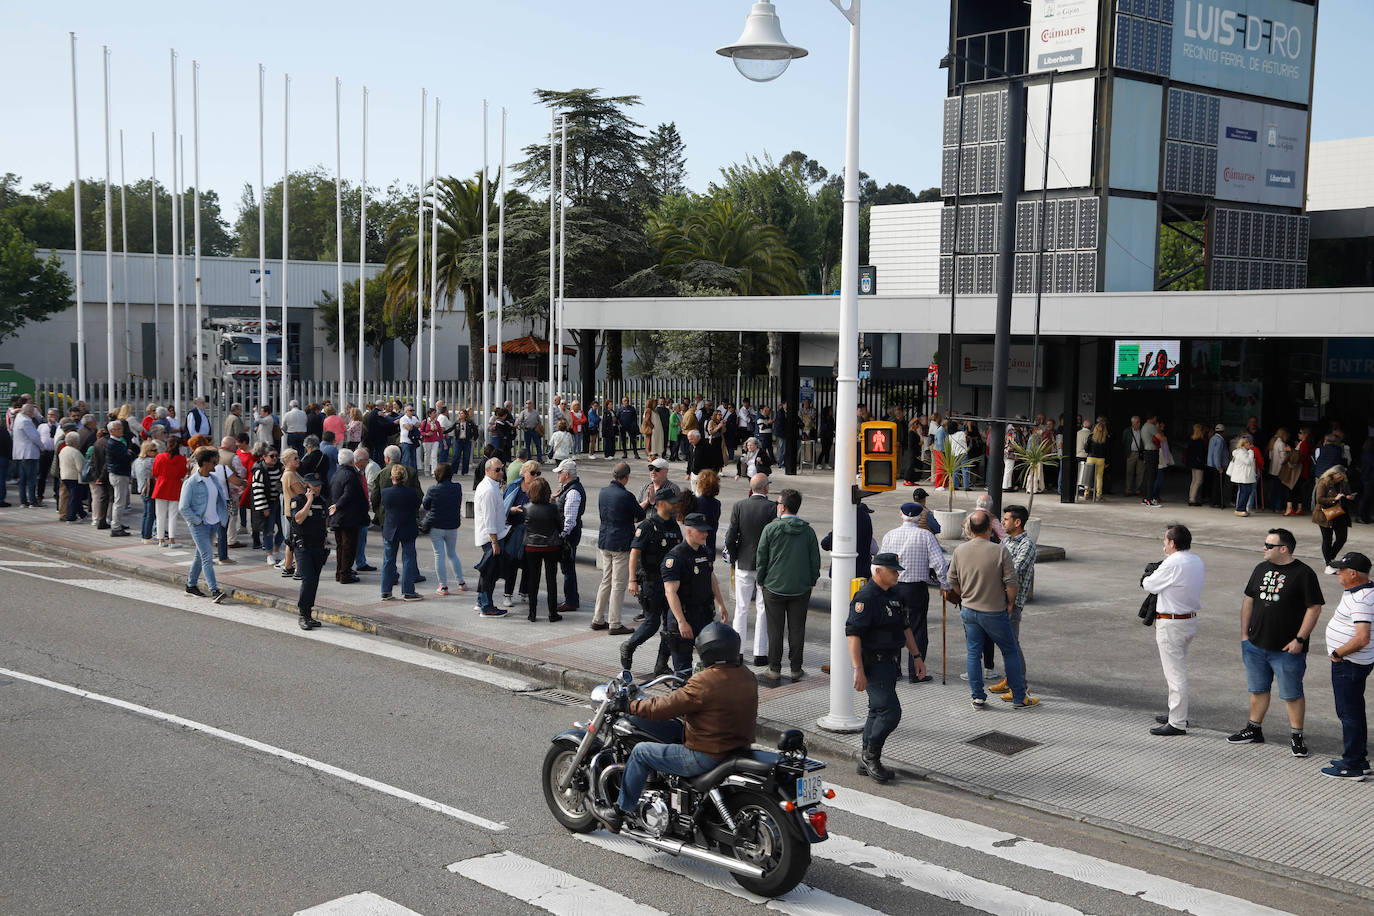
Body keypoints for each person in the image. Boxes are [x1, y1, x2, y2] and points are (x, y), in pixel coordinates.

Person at [590, 623, 757, 834]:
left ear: (707, 651)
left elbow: (664, 707)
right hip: (736, 747)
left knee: (641, 752)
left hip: (705, 755)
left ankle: (619, 811)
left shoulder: (704, 682)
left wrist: (629, 706)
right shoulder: (747, 676)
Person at [1226, 527, 1324, 758]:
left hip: (1287, 649)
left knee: (1292, 693)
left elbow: (1315, 607)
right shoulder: (1260, 568)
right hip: (1255, 645)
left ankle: (1297, 736)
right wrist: (1244, 636)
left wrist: (1299, 639)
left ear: (1284, 549)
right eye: (1265, 544)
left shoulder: (1303, 573)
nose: (1264, 548)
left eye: (1269, 545)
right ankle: (1254, 729)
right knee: (1257, 689)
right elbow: (1249, 601)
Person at [846, 552, 928, 783]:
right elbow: (853, 635)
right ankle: (871, 757)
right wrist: (858, 669)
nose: (897, 574)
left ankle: (865, 759)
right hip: (874, 663)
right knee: (891, 712)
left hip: (891, 662)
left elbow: (905, 628)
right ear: (878, 571)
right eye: (893, 570)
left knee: (877, 710)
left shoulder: (895, 595)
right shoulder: (866, 597)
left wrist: (917, 656)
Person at [947, 510, 1037, 709]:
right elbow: (1011, 582)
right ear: (989, 528)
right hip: (994, 610)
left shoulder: (960, 550)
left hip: (969, 609)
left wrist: (964, 595)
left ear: (970, 529)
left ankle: (977, 697)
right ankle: (1019, 697)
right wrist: (1010, 603)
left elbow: (951, 580)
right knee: (1010, 650)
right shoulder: (999, 550)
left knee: (973, 653)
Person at [1141, 523, 1205, 736]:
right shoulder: (1196, 560)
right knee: (1177, 670)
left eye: (1165, 540)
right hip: (1188, 620)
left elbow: (1149, 584)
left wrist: (1149, 576)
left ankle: (1177, 722)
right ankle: (1176, 713)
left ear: (1173, 543)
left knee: (1175, 674)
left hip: (1172, 623)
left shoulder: (1173, 563)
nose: (1163, 544)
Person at [754, 488, 821, 684]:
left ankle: (774, 668)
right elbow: (814, 560)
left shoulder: (771, 529)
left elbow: (762, 557)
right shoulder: (808, 531)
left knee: (775, 630)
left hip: (773, 586)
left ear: (782, 507)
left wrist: (761, 580)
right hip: (800, 588)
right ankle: (795, 669)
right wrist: (811, 581)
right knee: (797, 629)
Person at [880, 501, 949, 684]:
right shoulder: (926, 536)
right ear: (919, 518)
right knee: (917, 629)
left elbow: (880, 562)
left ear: (901, 515)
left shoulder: (890, 535)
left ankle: (894, 669)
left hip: (893, 587)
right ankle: (916, 672)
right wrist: (944, 585)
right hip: (915, 588)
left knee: (894, 627)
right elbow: (940, 564)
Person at [1323, 551, 1374, 780]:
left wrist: (1337, 653)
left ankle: (1352, 765)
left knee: (1349, 713)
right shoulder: (1364, 591)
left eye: (1341, 571)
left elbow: (1362, 637)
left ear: (1353, 574)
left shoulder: (1360, 599)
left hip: (1349, 663)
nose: (1337, 574)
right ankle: (1359, 759)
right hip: (1357, 662)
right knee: (1354, 710)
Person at [621, 489, 683, 674]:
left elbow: (679, 552)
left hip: (670, 584)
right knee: (652, 623)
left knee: (670, 626)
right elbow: (634, 554)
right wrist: (632, 580)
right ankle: (629, 646)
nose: (676, 505)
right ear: (661, 503)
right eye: (672, 502)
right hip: (651, 582)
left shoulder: (673, 525)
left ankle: (661, 665)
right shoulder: (648, 525)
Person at [661, 512, 730, 672]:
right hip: (684, 617)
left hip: (704, 616)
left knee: (711, 666)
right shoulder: (675, 557)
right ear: (689, 531)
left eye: (706, 530)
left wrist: (721, 604)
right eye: (701, 530)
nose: (706, 534)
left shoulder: (704, 552)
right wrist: (681, 622)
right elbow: (670, 592)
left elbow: (710, 577)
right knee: (683, 671)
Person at [723, 473, 776, 667]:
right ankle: (760, 654)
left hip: (743, 563)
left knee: (741, 608)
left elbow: (730, 537)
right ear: (765, 488)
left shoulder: (739, 506)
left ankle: (738, 651)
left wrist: (735, 557)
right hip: (765, 565)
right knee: (763, 609)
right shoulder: (772, 508)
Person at [986, 505, 1035, 699]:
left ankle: (1020, 686)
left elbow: (1014, 570)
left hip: (1013, 602)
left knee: (1013, 644)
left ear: (1018, 522)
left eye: (1006, 519)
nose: (1002, 523)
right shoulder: (1006, 540)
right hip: (999, 599)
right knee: (1006, 643)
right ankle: (1010, 679)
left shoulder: (1027, 545)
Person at [592, 461, 643, 634]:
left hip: (605, 540)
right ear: (626, 477)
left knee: (606, 581)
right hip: (620, 543)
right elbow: (640, 514)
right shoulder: (626, 496)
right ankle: (615, 623)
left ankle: (598, 619)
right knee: (618, 584)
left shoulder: (603, 492)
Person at [178, 447, 228, 603]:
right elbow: (183, 507)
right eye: (214, 462)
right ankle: (214, 590)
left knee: (200, 555)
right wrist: (196, 521)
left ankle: (191, 585)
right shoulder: (191, 483)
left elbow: (220, 500)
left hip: (213, 523)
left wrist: (220, 517)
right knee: (207, 556)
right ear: (205, 463)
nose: (216, 465)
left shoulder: (213, 479)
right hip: (199, 525)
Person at [519, 476, 565, 622]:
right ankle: (553, 613)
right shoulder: (552, 508)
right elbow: (560, 527)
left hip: (532, 546)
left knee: (533, 579)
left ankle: (532, 613)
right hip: (550, 546)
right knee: (551, 579)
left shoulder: (526, 508)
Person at [418, 461, 465, 596]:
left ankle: (443, 586)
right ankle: (461, 582)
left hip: (436, 525)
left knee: (439, 555)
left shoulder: (433, 489)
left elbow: (426, 506)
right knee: (452, 554)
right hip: (452, 525)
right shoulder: (457, 487)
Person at [290, 472, 330, 629]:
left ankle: (308, 613)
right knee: (308, 580)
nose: (318, 488)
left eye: (319, 485)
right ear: (307, 486)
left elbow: (324, 519)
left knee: (314, 581)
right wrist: (309, 501)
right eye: (314, 485)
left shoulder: (322, 501)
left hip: (318, 546)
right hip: (303, 546)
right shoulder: (298, 500)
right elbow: (298, 519)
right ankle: (303, 615)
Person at [473, 457, 510, 617]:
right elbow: (489, 519)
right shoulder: (488, 489)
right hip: (491, 537)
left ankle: (482, 601)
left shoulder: (492, 486)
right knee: (490, 573)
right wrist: (495, 542)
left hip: (493, 535)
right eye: (497, 470)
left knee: (488, 571)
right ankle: (487, 606)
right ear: (487, 470)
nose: (501, 472)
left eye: (502, 469)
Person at [379, 463, 422, 602]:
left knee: (388, 560)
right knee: (408, 559)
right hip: (408, 527)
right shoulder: (411, 492)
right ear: (405, 477)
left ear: (392, 477)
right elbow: (416, 505)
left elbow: (384, 506)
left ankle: (386, 591)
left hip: (391, 528)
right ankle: (408, 591)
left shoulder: (385, 493)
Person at [328, 448, 367, 585]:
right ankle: (345, 573)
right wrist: (338, 505)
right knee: (348, 546)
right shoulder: (351, 475)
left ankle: (340, 572)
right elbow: (349, 494)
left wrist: (334, 506)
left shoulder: (336, 474)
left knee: (341, 546)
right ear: (352, 461)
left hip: (338, 517)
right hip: (348, 517)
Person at [553, 459, 585, 612]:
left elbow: (570, 520)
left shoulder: (572, 492)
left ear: (566, 474)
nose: (558, 475)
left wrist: (562, 535)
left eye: (560, 472)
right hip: (569, 534)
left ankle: (571, 600)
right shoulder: (568, 489)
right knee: (567, 568)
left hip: (569, 537)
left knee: (568, 568)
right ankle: (571, 598)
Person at [1313, 466, 1354, 573]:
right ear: (1334, 474)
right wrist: (1334, 499)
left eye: (1343, 476)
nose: (1342, 478)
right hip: (1326, 514)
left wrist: (1348, 496)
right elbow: (1319, 499)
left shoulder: (1344, 482)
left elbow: (1345, 493)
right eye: (1340, 476)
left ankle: (1330, 558)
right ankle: (1329, 563)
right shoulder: (1324, 482)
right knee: (1327, 539)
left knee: (1342, 538)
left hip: (1340, 513)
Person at [151, 435, 187, 546]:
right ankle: (172, 540)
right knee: (173, 514)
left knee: (160, 514)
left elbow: (155, 472)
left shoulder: (159, 457)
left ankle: (160, 539)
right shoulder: (182, 459)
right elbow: (183, 473)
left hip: (161, 486)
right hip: (175, 486)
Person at [1229, 434, 1258, 517]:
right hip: (1243, 476)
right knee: (1244, 492)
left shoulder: (1244, 451)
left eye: (1249, 442)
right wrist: (1251, 452)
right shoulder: (1241, 452)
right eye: (1247, 443)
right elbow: (1248, 462)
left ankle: (1242, 509)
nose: (1249, 444)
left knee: (1245, 492)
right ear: (1243, 444)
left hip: (1245, 476)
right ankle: (1240, 509)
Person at [1207, 423, 1229, 508]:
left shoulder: (1212, 438)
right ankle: (1217, 502)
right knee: (1218, 485)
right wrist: (1219, 466)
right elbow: (1217, 454)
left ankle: (1214, 501)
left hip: (1212, 465)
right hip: (1218, 466)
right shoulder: (1220, 440)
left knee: (1214, 484)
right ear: (1223, 432)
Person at [1122, 416, 1145, 497]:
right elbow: (1124, 442)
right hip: (1131, 453)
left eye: (1139, 422)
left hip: (1140, 453)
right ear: (1133, 423)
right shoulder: (1127, 431)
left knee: (1140, 472)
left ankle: (1137, 490)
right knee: (1129, 472)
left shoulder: (1142, 430)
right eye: (1137, 422)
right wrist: (1127, 452)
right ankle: (1128, 490)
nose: (1139, 424)